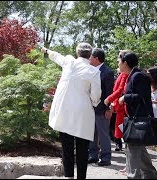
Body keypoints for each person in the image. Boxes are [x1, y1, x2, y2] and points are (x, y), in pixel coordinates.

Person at [41, 43, 101, 179]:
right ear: (90, 55)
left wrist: (45, 50)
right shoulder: (94, 72)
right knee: (82, 149)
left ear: (76, 52)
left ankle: (69, 177)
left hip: (64, 111)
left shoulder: (69, 62)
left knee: (67, 148)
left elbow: (56, 56)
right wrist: (94, 102)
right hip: (83, 113)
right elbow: (96, 95)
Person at [118, 51, 157, 179]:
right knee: (139, 150)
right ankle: (151, 175)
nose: (118, 64)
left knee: (133, 150)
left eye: (119, 61)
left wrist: (125, 97)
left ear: (125, 62)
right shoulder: (133, 75)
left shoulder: (137, 76)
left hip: (139, 119)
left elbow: (141, 96)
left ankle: (133, 176)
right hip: (136, 118)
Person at [88, 48, 115, 166]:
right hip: (90, 108)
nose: (89, 59)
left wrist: (109, 108)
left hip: (102, 109)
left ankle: (106, 157)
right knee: (91, 132)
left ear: (96, 58)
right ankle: (93, 155)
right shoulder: (90, 70)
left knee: (103, 133)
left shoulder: (107, 72)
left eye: (90, 57)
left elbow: (110, 92)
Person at [104, 66, 129, 152]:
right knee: (117, 127)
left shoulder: (125, 74)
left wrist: (109, 99)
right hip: (117, 105)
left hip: (123, 106)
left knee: (124, 128)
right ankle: (120, 144)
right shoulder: (122, 74)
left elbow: (120, 89)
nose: (118, 62)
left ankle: (127, 148)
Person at [146, 67, 157, 161]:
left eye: (149, 73)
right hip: (155, 113)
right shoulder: (151, 86)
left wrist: (156, 102)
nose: (147, 75)